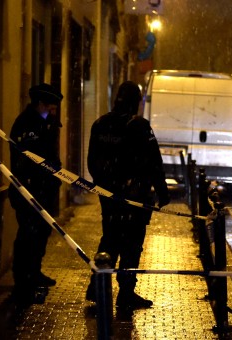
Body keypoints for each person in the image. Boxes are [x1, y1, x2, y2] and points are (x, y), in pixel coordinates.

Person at [85, 81, 170, 312]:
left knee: (110, 239)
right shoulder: (139, 126)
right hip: (134, 198)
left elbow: (92, 162)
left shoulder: (100, 124)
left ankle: (97, 287)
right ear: (136, 102)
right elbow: (154, 162)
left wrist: (105, 185)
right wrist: (162, 192)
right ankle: (125, 293)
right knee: (132, 246)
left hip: (109, 197)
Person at [8, 83, 64, 305]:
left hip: (45, 189)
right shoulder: (26, 124)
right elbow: (29, 160)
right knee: (27, 237)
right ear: (40, 103)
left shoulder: (46, 123)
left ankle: (35, 273)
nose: (53, 112)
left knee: (40, 234)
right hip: (28, 191)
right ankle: (23, 283)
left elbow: (50, 155)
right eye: (50, 107)